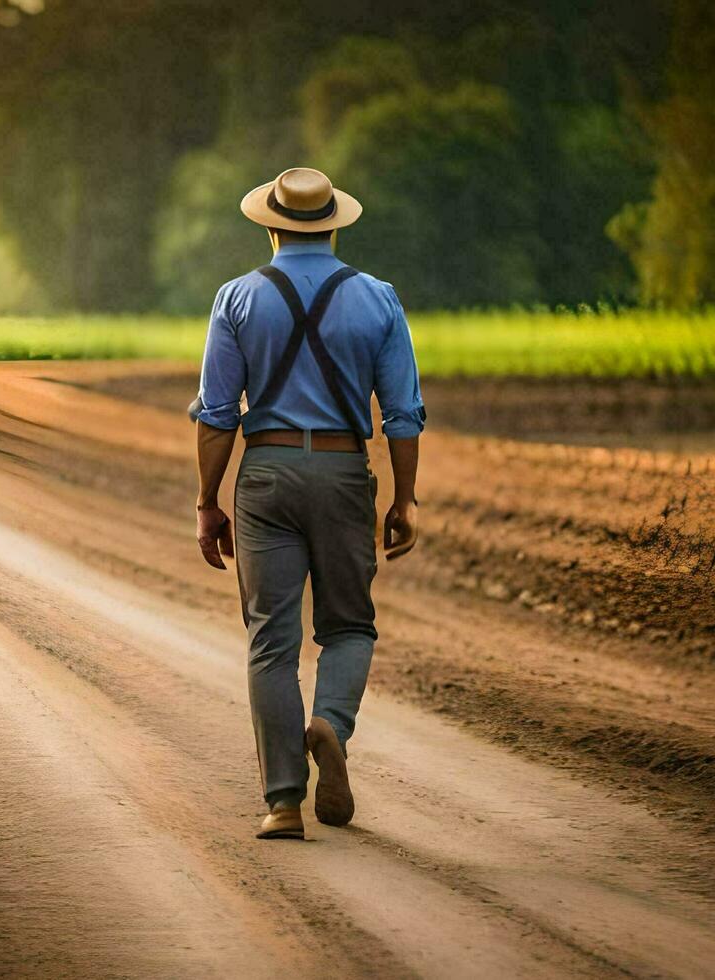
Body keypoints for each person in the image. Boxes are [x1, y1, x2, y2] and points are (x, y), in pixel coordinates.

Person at [190, 167, 424, 841]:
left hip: (265, 472)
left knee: (272, 640)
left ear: (270, 224)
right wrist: (405, 499)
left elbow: (216, 413)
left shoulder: (235, 298)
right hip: (346, 471)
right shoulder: (378, 298)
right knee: (349, 626)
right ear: (333, 224)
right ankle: (331, 723)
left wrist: (208, 500)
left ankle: (283, 802)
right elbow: (403, 415)